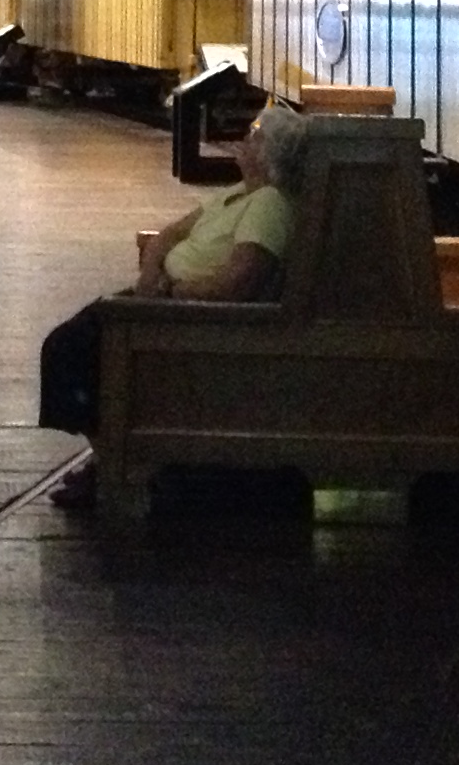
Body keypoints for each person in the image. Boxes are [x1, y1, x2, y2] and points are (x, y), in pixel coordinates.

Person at [39, 104, 311, 508]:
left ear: (270, 154)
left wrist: (172, 293)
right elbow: (168, 235)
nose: (244, 139)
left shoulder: (269, 204)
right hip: (158, 301)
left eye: (255, 135)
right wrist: (150, 280)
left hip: (188, 317)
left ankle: (113, 464)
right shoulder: (238, 194)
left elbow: (238, 282)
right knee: (73, 343)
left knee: (71, 347)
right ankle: (108, 458)